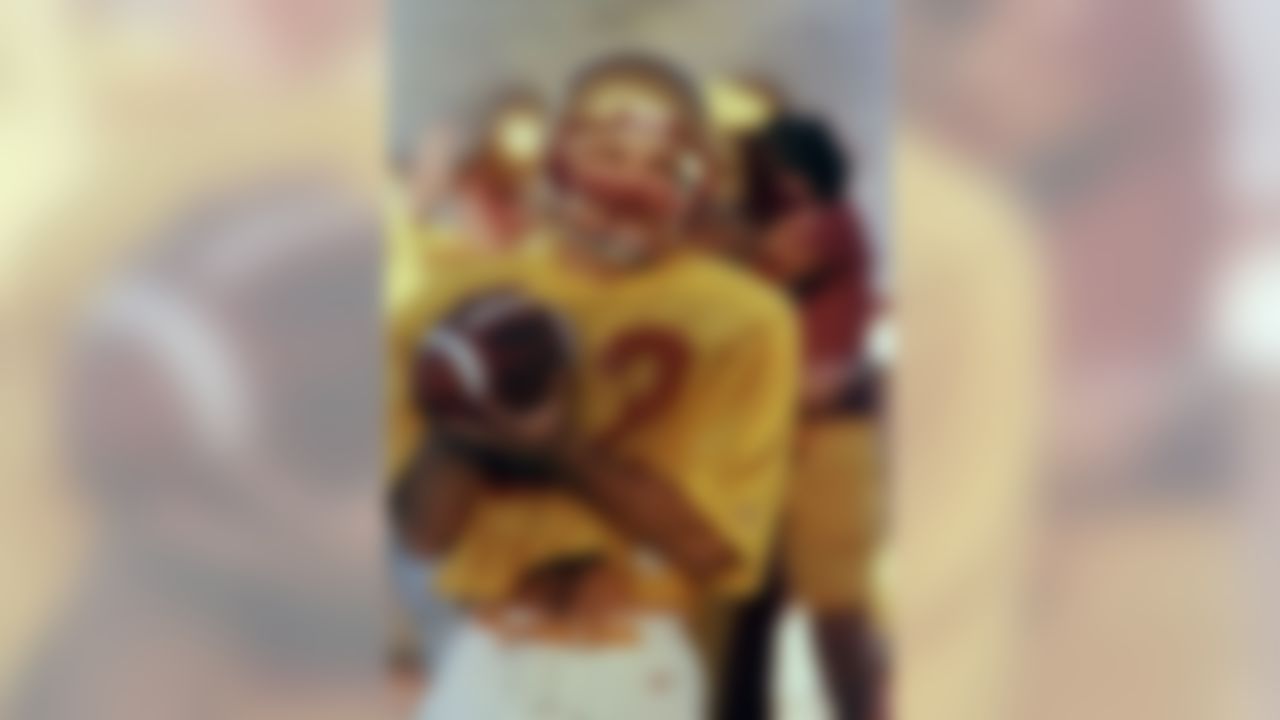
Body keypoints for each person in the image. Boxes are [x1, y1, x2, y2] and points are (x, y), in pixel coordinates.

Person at [389, 53, 799, 719]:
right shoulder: (457, 303)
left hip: (632, 663)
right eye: (611, 154)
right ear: (555, 160)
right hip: (490, 651)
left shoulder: (745, 321)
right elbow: (423, 537)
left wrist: (564, 450)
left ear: (702, 179)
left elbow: (714, 550)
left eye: (664, 166)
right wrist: (464, 429)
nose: (634, 186)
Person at [719, 115, 884, 720]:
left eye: (778, 168)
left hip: (827, 440)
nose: (773, 183)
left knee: (837, 620)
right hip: (777, 443)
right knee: (749, 617)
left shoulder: (832, 223)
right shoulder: (805, 223)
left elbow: (753, 273)